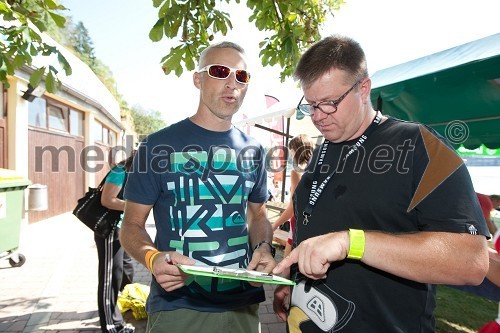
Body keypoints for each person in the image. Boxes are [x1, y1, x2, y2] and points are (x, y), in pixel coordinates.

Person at [272, 35, 490, 332]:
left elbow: (472, 262)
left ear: (364, 89)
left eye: (329, 103)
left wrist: (352, 242)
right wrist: (292, 280)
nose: (318, 117)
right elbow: (311, 228)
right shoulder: (321, 150)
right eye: (310, 105)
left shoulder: (418, 146)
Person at [120, 41, 276, 333]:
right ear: (198, 79)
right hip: (179, 306)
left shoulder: (254, 150)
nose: (232, 84)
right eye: (220, 71)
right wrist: (153, 259)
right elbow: (130, 225)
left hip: (242, 304)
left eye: (242, 76)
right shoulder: (157, 146)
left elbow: (259, 216)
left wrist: (264, 247)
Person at [97, 153, 136, 333]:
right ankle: (111, 324)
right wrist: (135, 206)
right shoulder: (120, 171)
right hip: (110, 229)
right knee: (110, 277)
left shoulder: (135, 173)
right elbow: (107, 200)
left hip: (124, 228)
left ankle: (126, 302)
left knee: (126, 270)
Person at [271, 134, 315, 256]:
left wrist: (274, 225)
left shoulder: (296, 172)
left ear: (296, 150)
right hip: (312, 224)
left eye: (291, 151)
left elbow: (293, 208)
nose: (291, 155)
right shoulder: (315, 171)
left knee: (287, 263)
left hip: (297, 223)